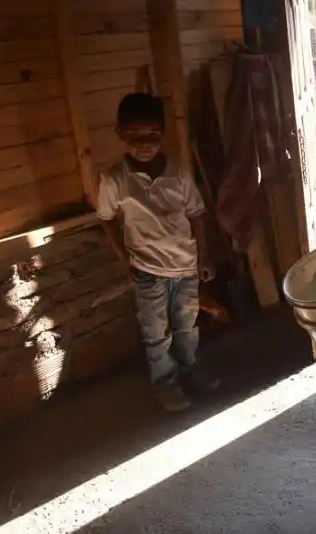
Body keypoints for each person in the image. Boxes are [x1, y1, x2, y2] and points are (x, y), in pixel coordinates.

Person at [96, 93, 218, 412]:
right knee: (156, 334)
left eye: (152, 134)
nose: (144, 143)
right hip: (147, 272)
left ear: (162, 132)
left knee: (187, 327)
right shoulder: (114, 180)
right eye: (134, 135)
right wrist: (125, 259)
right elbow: (106, 219)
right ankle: (166, 384)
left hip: (186, 267)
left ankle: (192, 371)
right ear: (119, 133)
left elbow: (196, 213)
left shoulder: (177, 172)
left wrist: (203, 256)